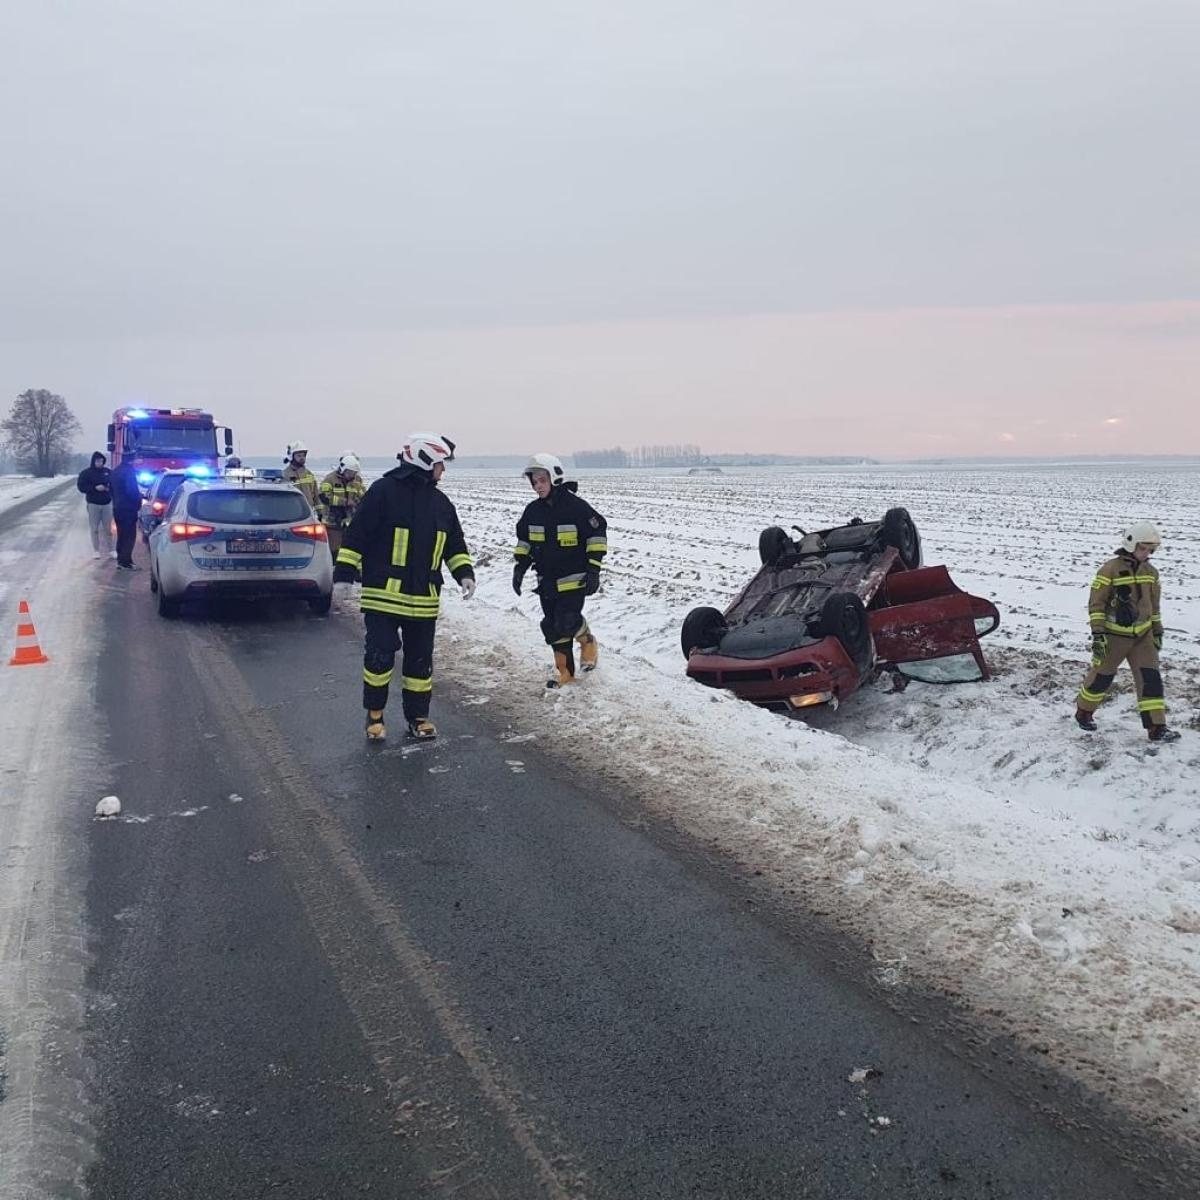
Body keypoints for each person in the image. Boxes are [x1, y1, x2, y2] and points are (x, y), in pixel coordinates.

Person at [332, 432, 475, 742]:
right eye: (440, 464)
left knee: (420, 662)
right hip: (383, 597)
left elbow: (454, 543)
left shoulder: (441, 503)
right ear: (424, 461)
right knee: (379, 658)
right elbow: (357, 535)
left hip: (424, 599)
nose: (443, 470)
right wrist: (343, 574)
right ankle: (374, 715)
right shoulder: (383, 492)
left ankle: (418, 717)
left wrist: (464, 572)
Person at [1075, 521, 1181, 743]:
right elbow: (1096, 605)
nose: (1147, 553)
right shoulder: (1110, 569)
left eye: (1150, 550)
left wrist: (1157, 630)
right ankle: (1084, 712)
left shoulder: (1151, 573)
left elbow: (1154, 606)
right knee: (1101, 678)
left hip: (1143, 637)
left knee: (1150, 680)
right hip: (1114, 638)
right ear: (1131, 544)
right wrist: (1098, 634)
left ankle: (1156, 728)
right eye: (1143, 548)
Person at [512, 454, 607, 687]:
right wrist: (519, 568)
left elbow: (597, 534)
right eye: (534, 482)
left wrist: (594, 570)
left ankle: (588, 642)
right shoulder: (532, 511)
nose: (537, 486)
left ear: (554, 478)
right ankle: (566, 674)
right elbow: (524, 541)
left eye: (542, 480)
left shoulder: (576, 507)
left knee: (566, 621)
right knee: (552, 627)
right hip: (546, 581)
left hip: (574, 579)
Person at [317, 452, 367, 559]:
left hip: (350, 521)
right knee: (333, 550)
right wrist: (344, 502)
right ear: (343, 469)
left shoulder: (357, 481)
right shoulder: (330, 479)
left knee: (350, 550)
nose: (352, 475)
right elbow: (324, 496)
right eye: (350, 473)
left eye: (354, 473)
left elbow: (363, 497)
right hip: (332, 522)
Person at [110, 452, 144, 571]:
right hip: (128, 509)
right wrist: (138, 499)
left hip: (118, 508)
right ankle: (126, 561)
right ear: (132, 460)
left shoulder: (115, 471)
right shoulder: (129, 472)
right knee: (129, 536)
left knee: (121, 534)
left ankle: (121, 560)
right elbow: (131, 491)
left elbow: (111, 490)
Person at [76, 451, 113, 559]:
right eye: (97, 461)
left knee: (108, 529)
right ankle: (96, 550)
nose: (99, 463)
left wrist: (108, 489)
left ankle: (111, 549)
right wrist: (94, 488)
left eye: (101, 461)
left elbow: (114, 484)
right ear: (93, 461)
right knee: (94, 528)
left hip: (107, 503)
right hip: (93, 504)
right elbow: (81, 487)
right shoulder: (86, 473)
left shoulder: (108, 472)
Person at [283, 440, 318, 507]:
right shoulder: (285, 475)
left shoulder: (309, 474)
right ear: (291, 457)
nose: (302, 458)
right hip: (293, 513)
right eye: (299, 456)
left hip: (308, 513)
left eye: (303, 455)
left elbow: (316, 495)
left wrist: (320, 512)